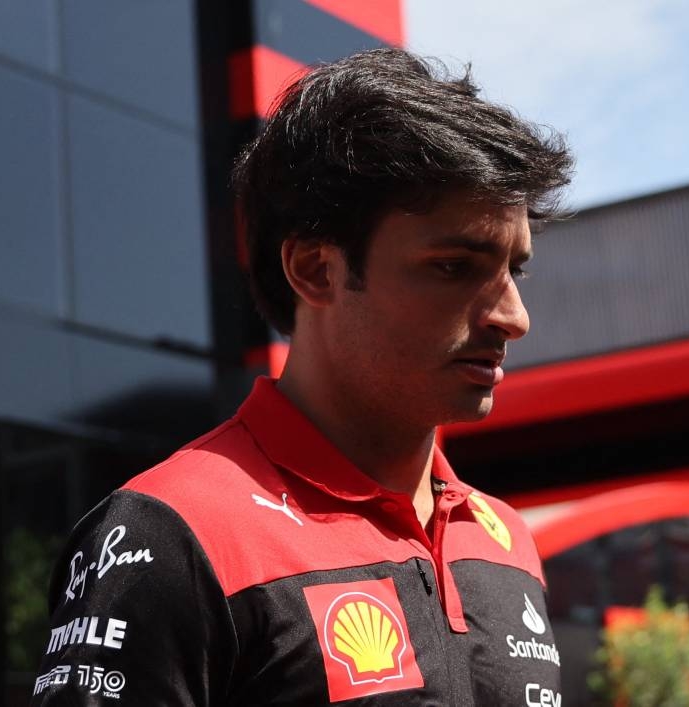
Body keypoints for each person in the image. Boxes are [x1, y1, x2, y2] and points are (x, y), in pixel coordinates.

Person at [30, 47, 572, 706]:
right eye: (454, 266)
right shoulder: (171, 535)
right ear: (316, 271)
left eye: (515, 270)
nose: (514, 317)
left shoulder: (506, 539)